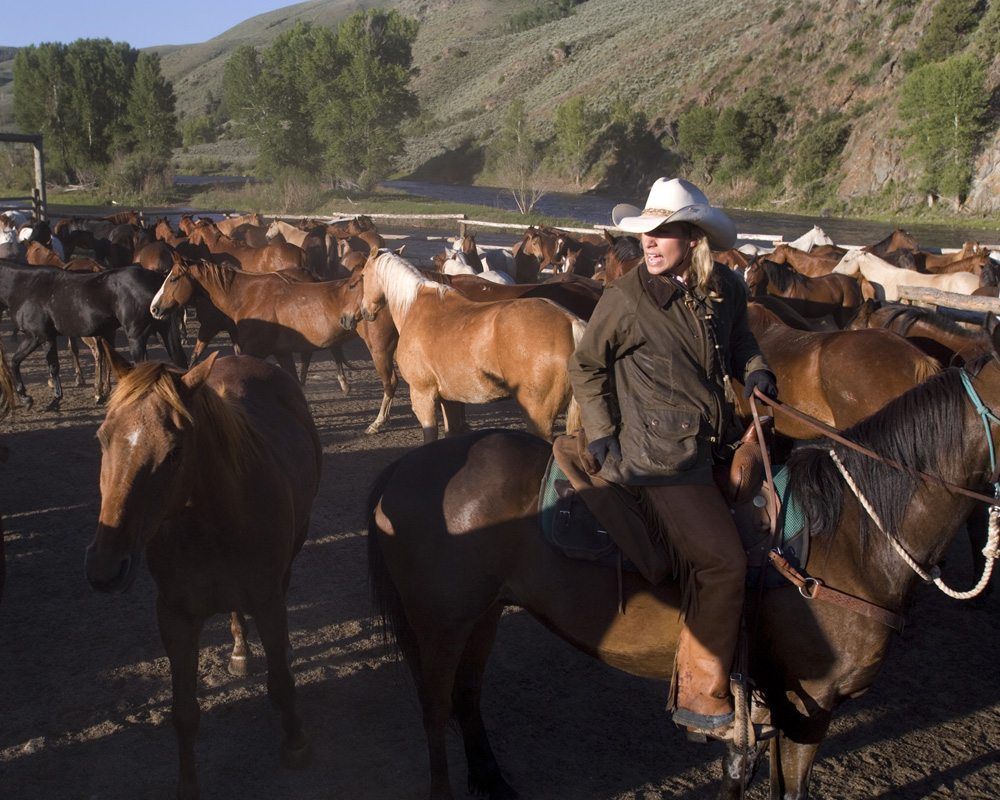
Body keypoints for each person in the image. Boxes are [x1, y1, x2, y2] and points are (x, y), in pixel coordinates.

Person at [566, 177, 778, 743]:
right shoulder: (628, 297)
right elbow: (585, 367)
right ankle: (699, 696)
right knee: (722, 564)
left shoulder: (726, 288)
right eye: (645, 234)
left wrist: (756, 371)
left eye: (661, 233)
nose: (649, 244)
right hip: (657, 455)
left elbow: (741, 345)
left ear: (693, 238)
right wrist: (604, 433)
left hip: (716, 437)